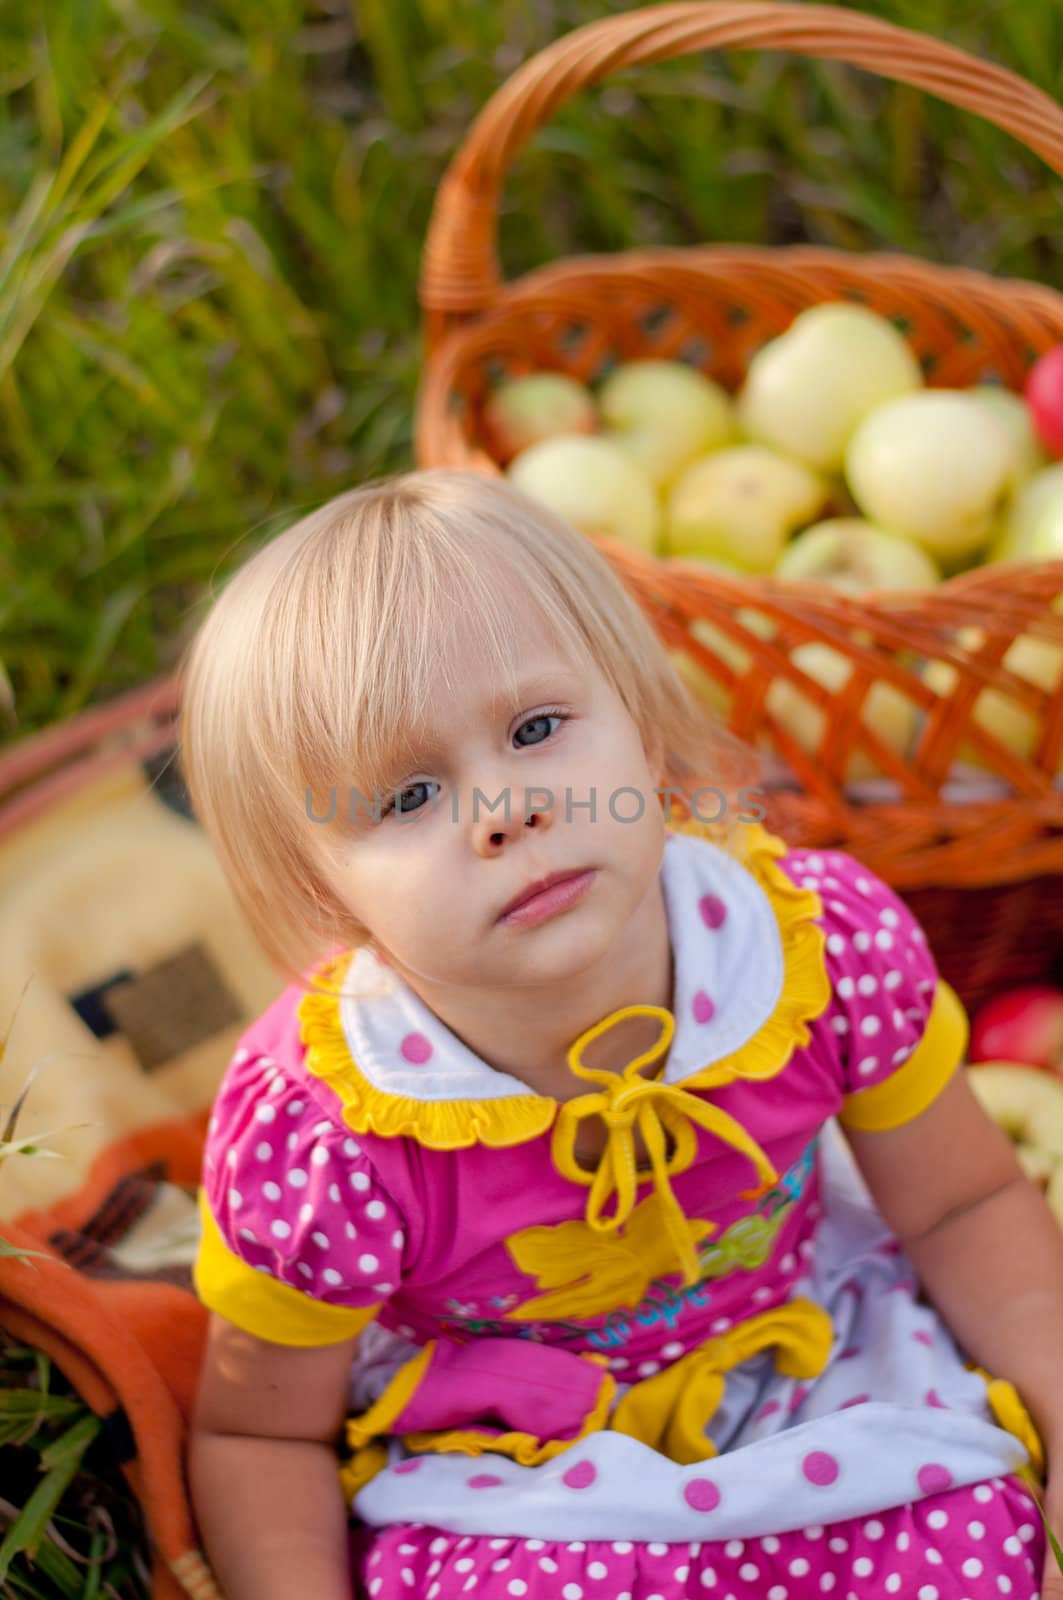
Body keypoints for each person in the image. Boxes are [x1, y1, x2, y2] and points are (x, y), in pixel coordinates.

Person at [179, 468, 1063, 1600]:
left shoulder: (808, 957)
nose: (507, 809)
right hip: (520, 1480)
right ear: (326, 898)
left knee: (980, 1546)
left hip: (811, 1369)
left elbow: (963, 1202)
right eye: (406, 798)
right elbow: (259, 1436)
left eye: (538, 728)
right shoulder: (333, 1133)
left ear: (644, 735)